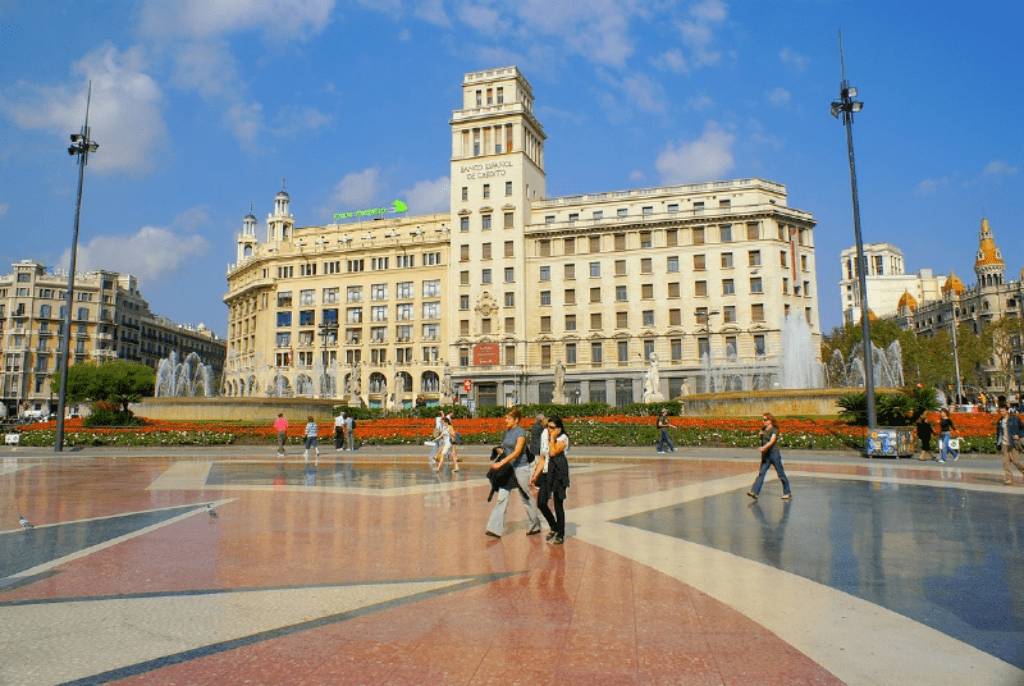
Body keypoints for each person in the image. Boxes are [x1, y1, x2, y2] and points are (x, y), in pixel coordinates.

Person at [486, 408, 542, 538]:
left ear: (516, 420)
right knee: (502, 498)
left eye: (509, 418)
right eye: (506, 418)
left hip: (520, 468)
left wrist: (500, 463)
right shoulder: (508, 431)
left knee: (525, 498)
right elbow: (509, 449)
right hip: (508, 469)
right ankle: (494, 528)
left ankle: (535, 524)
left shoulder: (521, 432)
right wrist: (501, 451)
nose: (506, 420)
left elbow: (517, 452)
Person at [531, 416, 570, 544]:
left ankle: (560, 533)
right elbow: (543, 457)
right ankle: (553, 525)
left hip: (559, 471)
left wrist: (552, 438)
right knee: (541, 502)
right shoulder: (544, 436)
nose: (549, 430)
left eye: (552, 428)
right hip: (548, 471)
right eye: (548, 427)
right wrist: (536, 475)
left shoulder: (563, 438)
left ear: (559, 429)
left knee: (558, 504)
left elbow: (553, 452)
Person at [748, 412, 792, 500]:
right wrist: (760, 435)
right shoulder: (764, 429)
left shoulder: (774, 430)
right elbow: (763, 438)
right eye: (763, 419)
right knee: (762, 473)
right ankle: (754, 492)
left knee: (780, 473)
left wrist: (764, 447)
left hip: (774, 454)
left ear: (770, 420)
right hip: (766, 456)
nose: (763, 421)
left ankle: (787, 492)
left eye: (765, 420)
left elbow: (772, 441)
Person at [995, 404, 1024, 486]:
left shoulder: (1014, 419)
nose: (1001, 413)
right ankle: (1008, 479)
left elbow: (1022, 428)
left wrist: (1018, 434)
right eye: (1000, 411)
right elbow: (999, 433)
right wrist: (998, 443)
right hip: (1004, 443)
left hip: (1013, 443)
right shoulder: (1000, 421)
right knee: (1006, 462)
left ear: (1007, 410)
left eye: (1003, 411)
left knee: (1016, 461)